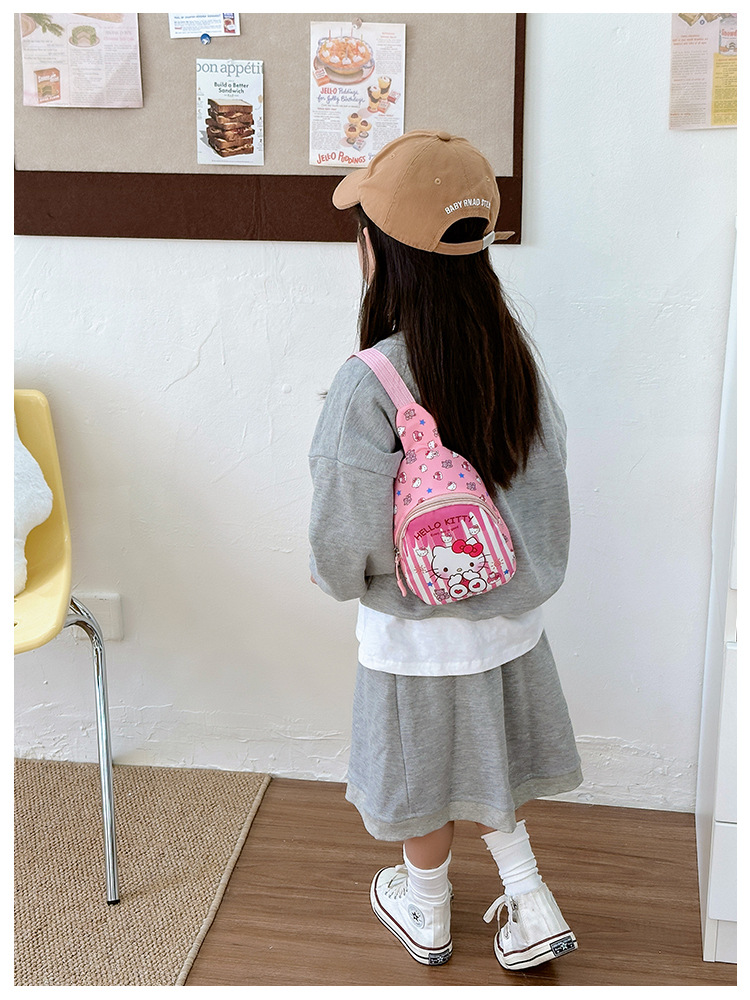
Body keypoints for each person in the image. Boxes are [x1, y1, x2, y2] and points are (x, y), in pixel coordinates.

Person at [307, 129, 583, 971]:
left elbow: (343, 522)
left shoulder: (372, 379)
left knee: (423, 774)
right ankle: (528, 897)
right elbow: (546, 491)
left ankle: (426, 910)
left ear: (381, 252)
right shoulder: (512, 360)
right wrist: (524, 581)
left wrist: (350, 580)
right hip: (509, 625)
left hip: (413, 632)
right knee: (487, 757)